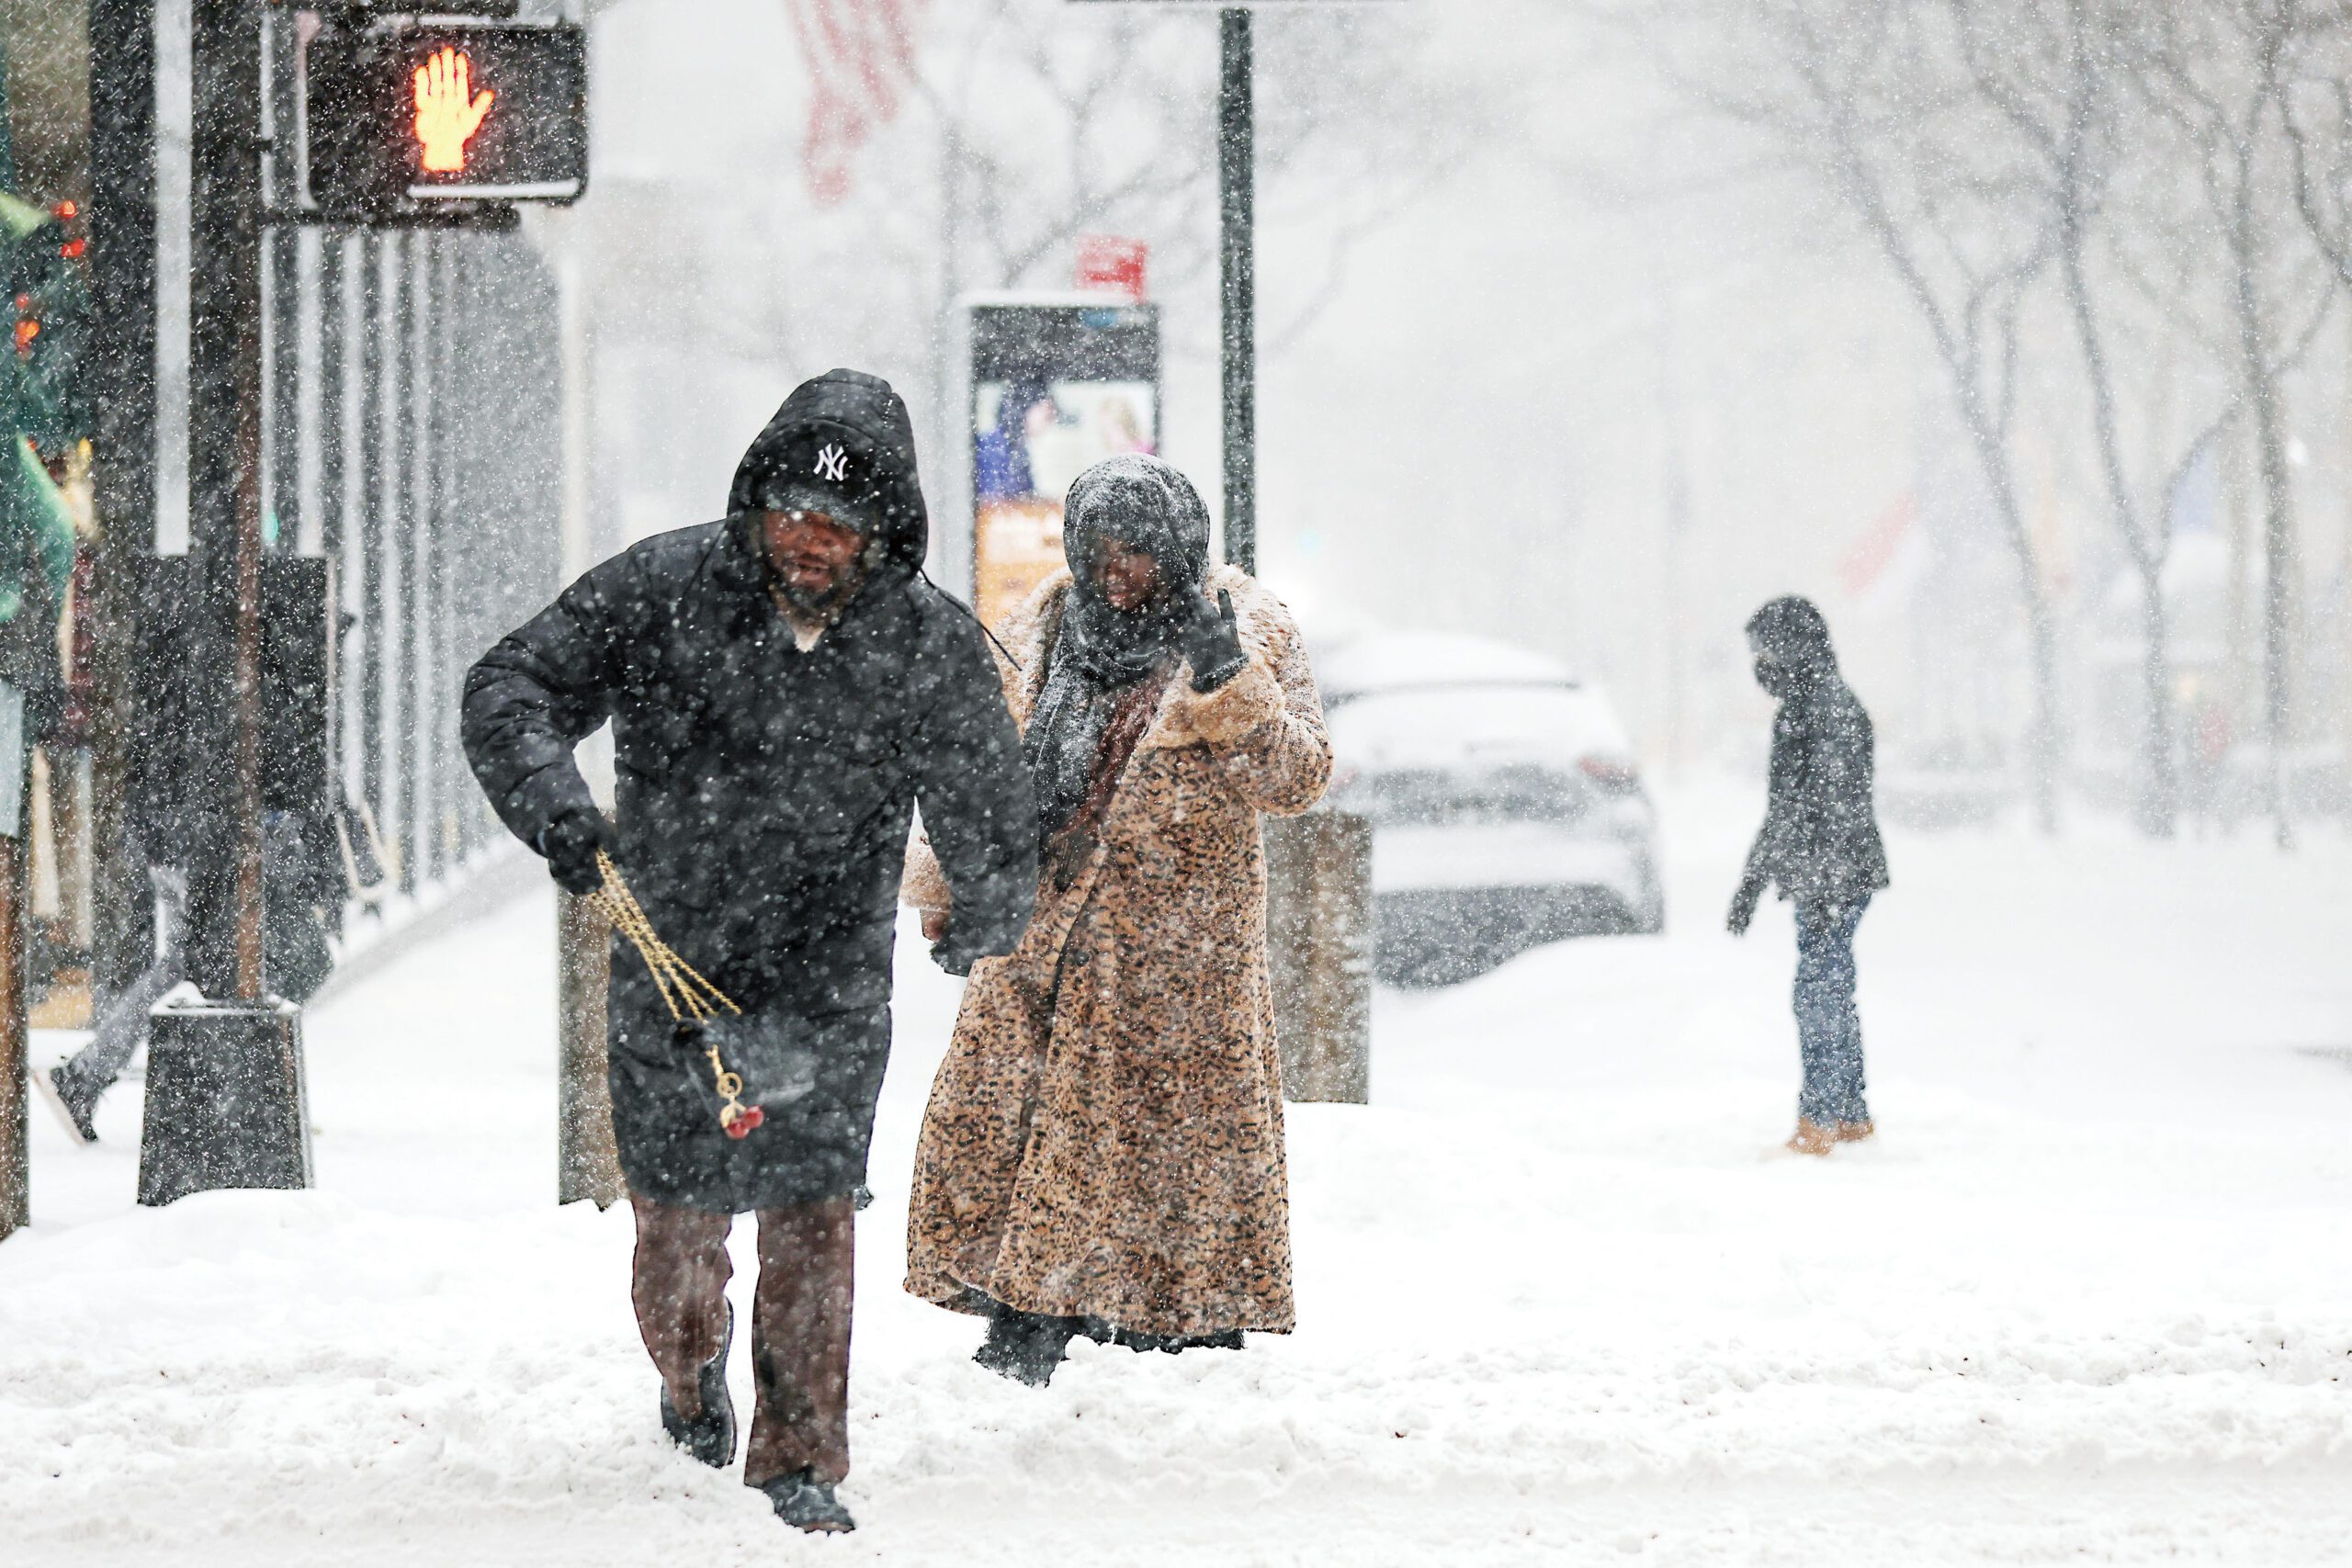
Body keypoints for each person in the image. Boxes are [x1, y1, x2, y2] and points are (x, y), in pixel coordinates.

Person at [460, 368, 1037, 1534]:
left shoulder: (926, 642)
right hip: (672, 963)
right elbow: (509, 686)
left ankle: (799, 1455)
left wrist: (988, 903)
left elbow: (986, 794)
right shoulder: (663, 590)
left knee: (812, 1210)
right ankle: (688, 1374)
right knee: (675, 1227)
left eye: (835, 524)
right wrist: (561, 816)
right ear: (755, 506)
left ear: (881, 532)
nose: (808, 540)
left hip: (828, 976)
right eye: (789, 515)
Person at [900, 453, 1332, 1387]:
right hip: (1043, 941)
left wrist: (1227, 678)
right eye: (1098, 546)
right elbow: (981, 773)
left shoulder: (1248, 629)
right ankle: (1027, 1329)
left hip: (1175, 963)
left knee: (1169, 1168)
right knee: (1026, 1146)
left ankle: (1177, 1338)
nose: (1117, 570)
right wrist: (950, 895)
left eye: (1140, 549)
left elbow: (1295, 780)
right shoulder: (1044, 621)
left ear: (1182, 549)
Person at [1727, 596, 1890, 1156]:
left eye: (1766, 650)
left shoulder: (1825, 710)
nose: (1759, 665)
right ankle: (1848, 1114)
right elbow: (1786, 810)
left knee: (1818, 989)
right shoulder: (1808, 706)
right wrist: (1752, 882)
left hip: (1834, 877)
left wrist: (1819, 882)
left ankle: (1821, 1119)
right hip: (1826, 875)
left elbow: (1825, 806)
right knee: (1830, 986)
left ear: (1793, 648)